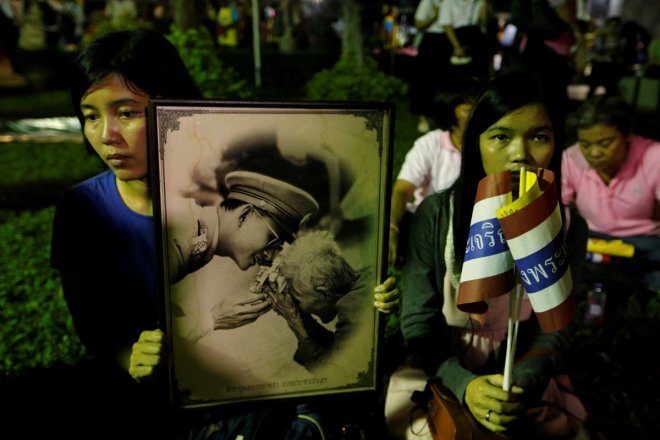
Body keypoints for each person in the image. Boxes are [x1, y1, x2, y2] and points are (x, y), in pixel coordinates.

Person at [48, 29, 324, 439]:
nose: (107, 135)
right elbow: (96, 330)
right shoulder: (83, 211)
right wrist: (133, 359)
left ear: (174, 109)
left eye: (126, 113)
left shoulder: (215, 202)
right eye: (91, 115)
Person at [380, 71, 590, 439]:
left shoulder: (567, 225)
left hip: (522, 371)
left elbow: (554, 329)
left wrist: (516, 388)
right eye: (500, 136)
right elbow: (418, 321)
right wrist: (468, 386)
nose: (519, 155)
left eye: (539, 137)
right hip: (441, 369)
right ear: (474, 142)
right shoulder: (437, 216)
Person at [562, 94, 660, 292]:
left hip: (643, 243)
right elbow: (559, 209)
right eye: (586, 145)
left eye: (605, 143)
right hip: (592, 240)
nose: (594, 153)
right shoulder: (572, 157)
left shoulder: (654, 157)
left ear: (627, 135)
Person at [389, 75, 483, 266]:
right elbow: (402, 190)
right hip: (432, 230)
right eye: (468, 108)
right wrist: (392, 229)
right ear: (450, 112)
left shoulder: (487, 147)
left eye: (479, 107)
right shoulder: (429, 144)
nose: (476, 114)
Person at [252, 229, 369, 372]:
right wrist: (294, 313)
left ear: (324, 291)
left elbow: (334, 373)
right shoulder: (362, 286)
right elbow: (338, 349)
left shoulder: (354, 311)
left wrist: (293, 319)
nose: (300, 305)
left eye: (299, 298)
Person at [409, 0, 451, 134]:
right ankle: (423, 118)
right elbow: (418, 24)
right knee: (424, 81)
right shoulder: (427, 2)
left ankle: (441, 118)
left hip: (447, 41)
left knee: (443, 82)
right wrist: (435, 16)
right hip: (430, 42)